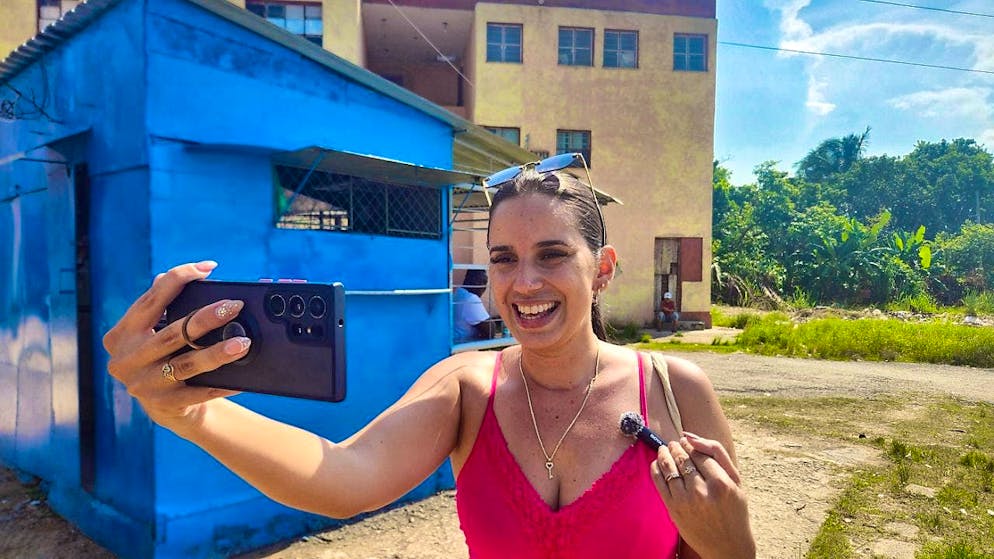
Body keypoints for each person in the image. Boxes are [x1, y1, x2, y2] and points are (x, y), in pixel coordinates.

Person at [103, 160, 756, 558]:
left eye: (553, 255)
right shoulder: (467, 388)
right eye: (503, 259)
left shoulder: (674, 392)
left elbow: (726, 549)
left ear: (603, 268)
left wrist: (732, 544)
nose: (524, 282)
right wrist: (192, 416)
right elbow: (343, 477)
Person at [453, 269, 492, 341]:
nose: (484, 288)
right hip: (463, 343)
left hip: (455, 340)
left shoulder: (458, 293)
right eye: (484, 283)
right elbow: (490, 330)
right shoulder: (470, 298)